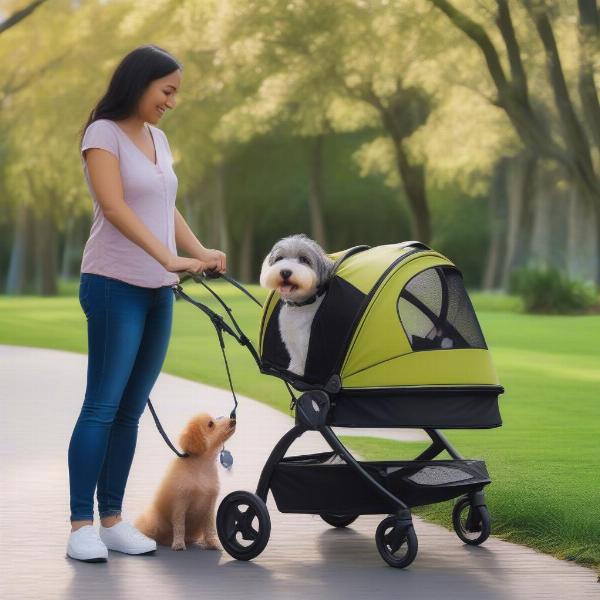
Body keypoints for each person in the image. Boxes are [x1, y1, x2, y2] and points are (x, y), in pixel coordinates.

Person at [67, 45, 226, 563]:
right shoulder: (103, 134)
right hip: (114, 285)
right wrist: (166, 256)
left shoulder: (158, 138)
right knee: (103, 406)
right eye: (167, 90)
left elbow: (165, 205)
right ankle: (81, 526)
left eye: (175, 92)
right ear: (139, 83)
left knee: (131, 411)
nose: (172, 102)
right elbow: (113, 207)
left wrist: (195, 252)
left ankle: (112, 519)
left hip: (159, 290)